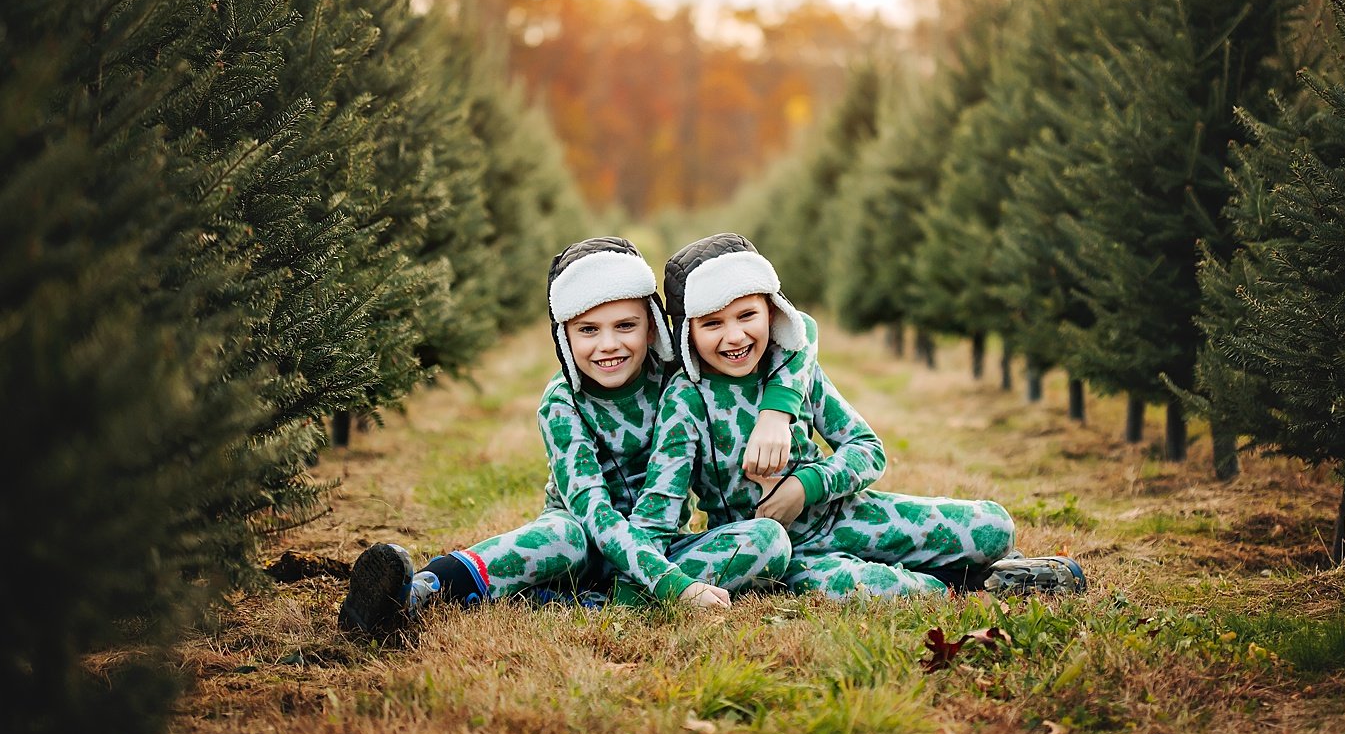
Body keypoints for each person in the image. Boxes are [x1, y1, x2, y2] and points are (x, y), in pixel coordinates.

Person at [338, 236, 811, 634]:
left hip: (660, 544)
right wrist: (673, 586)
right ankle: (416, 594)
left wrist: (777, 412)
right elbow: (594, 511)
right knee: (561, 535)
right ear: (564, 335)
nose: (608, 344)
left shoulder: (678, 378)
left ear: (653, 328)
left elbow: (800, 329)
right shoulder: (562, 403)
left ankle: (585, 604)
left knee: (767, 538)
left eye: (625, 325)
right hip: (582, 543)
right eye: (588, 330)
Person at [630, 232, 1087, 599]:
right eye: (712, 323)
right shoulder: (686, 402)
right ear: (688, 331)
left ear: (771, 310)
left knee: (994, 526)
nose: (734, 336)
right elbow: (663, 507)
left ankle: (978, 565)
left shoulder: (793, 370)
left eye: (746, 315)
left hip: (846, 513)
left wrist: (804, 487)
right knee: (895, 591)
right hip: (787, 552)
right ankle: (968, 583)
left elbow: (867, 451)